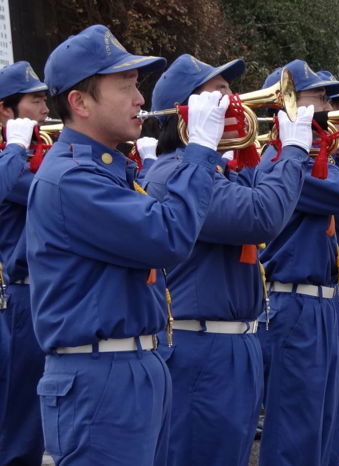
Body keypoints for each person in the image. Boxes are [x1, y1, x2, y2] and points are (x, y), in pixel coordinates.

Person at [26, 24, 227, 465]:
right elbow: (168, 236)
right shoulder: (72, 178)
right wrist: (200, 151)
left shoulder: (105, 169)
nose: (140, 99)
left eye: (137, 85)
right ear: (79, 102)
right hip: (99, 378)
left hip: (133, 366)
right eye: (125, 86)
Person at [143, 54, 312, 466]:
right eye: (217, 92)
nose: (233, 100)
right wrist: (291, 151)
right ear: (186, 112)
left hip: (230, 342)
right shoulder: (174, 174)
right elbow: (262, 216)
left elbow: (259, 196)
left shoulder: (212, 171)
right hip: (201, 347)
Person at [256, 59, 339, 466]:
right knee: (297, 433)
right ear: (290, 105)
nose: (331, 110)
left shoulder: (315, 162)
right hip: (295, 305)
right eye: (320, 98)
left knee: (327, 425)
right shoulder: (284, 161)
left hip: (322, 301)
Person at [0, 60, 49, 465]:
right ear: (6, 110)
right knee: (17, 417)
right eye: (35, 101)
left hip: (43, 293)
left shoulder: (38, 153)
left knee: (35, 415)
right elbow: (48, 192)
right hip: (19, 297)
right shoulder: (9, 160)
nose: (46, 110)